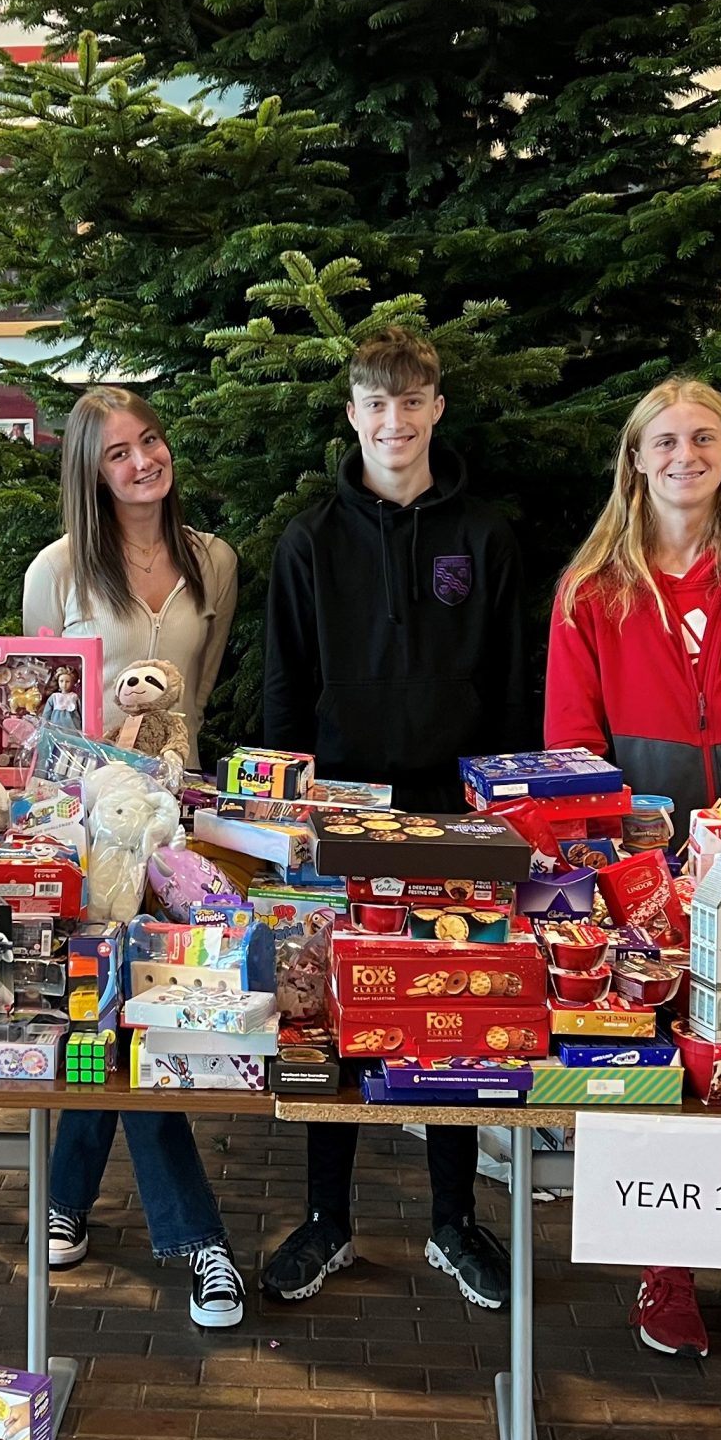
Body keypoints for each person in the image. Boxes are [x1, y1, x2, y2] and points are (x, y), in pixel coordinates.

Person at [545, 377, 721, 1360]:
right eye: (662, 440)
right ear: (635, 458)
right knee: (660, 1064)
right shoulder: (592, 590)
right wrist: (622, 860)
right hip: (636, 863)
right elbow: (570, 748)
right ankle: (660, 1266)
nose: (682, 455)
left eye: (701, 438)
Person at [258, 326, 533, 1313]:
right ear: (352, 416)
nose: (394, 420)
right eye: (376, 403)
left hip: (453, 811)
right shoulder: (308, 540)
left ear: (437, 409)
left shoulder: (485, 534)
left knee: (452, 1015)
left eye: (411, 400)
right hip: (340, 809)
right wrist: (289, 809)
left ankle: (454, 1220)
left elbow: (512, 683)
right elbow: (285, 686)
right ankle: (327, 1218)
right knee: (329, 1012)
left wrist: (498, 806)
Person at [20, 387, 245, 1327]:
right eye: (118, 453)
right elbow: (29, 717)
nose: (143, 461)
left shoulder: (214, 562)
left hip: (179, 832)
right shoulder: (58, 572)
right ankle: (200, 1243)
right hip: (88, 828)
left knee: (134, 1011)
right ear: (89, 470)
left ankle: (65, 1199)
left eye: (151, 440)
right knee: (117, 1013)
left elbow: (204, 686)